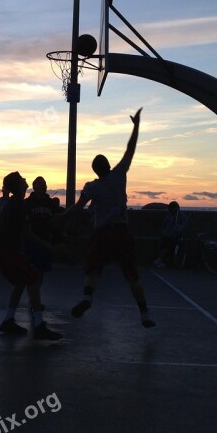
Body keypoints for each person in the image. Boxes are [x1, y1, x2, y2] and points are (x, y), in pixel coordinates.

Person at [64, 108, 155, 328]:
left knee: (93, 269)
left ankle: (87, 298)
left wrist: (61, 217)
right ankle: (144, 314)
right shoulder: (119, 174)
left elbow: (77, 208)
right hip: (121, 231)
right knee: (132, 275)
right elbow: (130, 149)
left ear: (95, 170)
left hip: (102, 233)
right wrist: (136, 126)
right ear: (108, 165)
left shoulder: (91, 187)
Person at [0, 171, 62, 341]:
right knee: (31, 279)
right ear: (19, 186)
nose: (25, 180)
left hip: (3, 250)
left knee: (22, 282)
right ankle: (39, 326)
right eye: (22, 179)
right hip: (7, 251)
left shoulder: (16, 204)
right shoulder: (18, 205)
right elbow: (27, 233)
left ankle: (8, 320)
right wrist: (50, 247)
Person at [24, 176, 57, 277]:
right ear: (34, 187)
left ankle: (36, 291)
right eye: (41, 184)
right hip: (32, 242)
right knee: (32, 270)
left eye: (45, 184)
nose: (43, 186)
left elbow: (55, 218)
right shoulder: (27, 203)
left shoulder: (50, 203)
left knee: (41, 271)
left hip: (46, 239)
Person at [154, 201, 189, 268]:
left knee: (169, 243)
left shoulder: (181, 216)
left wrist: (177, 231)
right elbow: (164, 226)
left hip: (177, 236)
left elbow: (183, 227)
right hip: (168, 235)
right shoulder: (169, 216)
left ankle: (165, 262)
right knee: (163, 241)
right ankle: (161, 259)